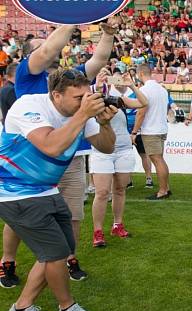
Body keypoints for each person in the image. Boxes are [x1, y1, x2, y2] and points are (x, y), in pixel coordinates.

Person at [3, 21, 118, 284]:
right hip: (30, 162)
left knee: (72, 213)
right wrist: (72, 18)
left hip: (71, 159)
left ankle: (68, 258)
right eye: (44, 46)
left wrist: (108, 34)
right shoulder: (28, 75)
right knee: (19, 216)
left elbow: (99, 59)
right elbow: (46, 52)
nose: (52, 50)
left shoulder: (74, 81)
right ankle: (7, 261)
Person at [0, 69, 116, 311]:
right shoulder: (29, 105)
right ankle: (68, 308)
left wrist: (105, 123)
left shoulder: (80, 112)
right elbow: (51, 145)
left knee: (60, 251)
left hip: (46, 189)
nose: (84, 101)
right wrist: (83, 114)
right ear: (56, 95)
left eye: (87, 95)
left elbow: (106, 147)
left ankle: (21, 308)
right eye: (77, 97)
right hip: (15, 192)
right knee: (54, 254)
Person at [91, 70, 148, 247]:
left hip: (123, 150)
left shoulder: (118, 99)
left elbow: (143, 102)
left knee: (120, 189)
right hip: (102, 151)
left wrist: (131, 84)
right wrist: (97, 87)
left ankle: (117, 224)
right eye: (103, 75)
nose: (108, 79)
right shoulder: (92, 95)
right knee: (101, 193)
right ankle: (98, 232)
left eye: (109, 76)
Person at [131, 64, 171, 200]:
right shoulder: (162, 89)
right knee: (160, 159)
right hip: (161, 128)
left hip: (151, 130)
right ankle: (166, 187)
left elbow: (141, 112)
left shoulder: (144, 90)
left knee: (157, 160)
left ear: (140, 73)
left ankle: (162, 190)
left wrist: (134, 132)